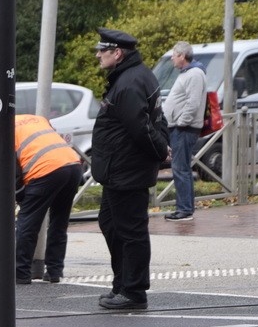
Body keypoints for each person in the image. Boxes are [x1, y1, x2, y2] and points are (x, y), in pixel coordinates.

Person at [90, 28, 169, 311]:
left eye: (103, 50)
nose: (98, 54)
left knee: (130, 231)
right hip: (119, 170)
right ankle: (122, 284)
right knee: (111, 224)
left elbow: (143, 128)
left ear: (117, 53)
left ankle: (134, 291)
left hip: (126, 170)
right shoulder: (136, 76)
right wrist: (163, 147)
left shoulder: (129, 83)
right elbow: (159, 119)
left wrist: (161, 151)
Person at [12, 115, 84, 285]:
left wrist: (20, 196)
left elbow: (13, 171)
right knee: (59, 221)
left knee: (27, 222)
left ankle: (21, 273)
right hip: (72, 165)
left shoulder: (4, 129)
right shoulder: (36, 119)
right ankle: (54, 271)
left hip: (45, 170)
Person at [162, 40, 206, 222]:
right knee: (181, 168)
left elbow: (193, 102)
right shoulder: (188, 73)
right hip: (181, 128)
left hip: (184, 129)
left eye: (174, 54)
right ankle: (185, 208)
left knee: (180, 169)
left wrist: (181, 123)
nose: (172, 58)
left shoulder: (194, 74)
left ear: (182, 56)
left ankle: (184, 210)